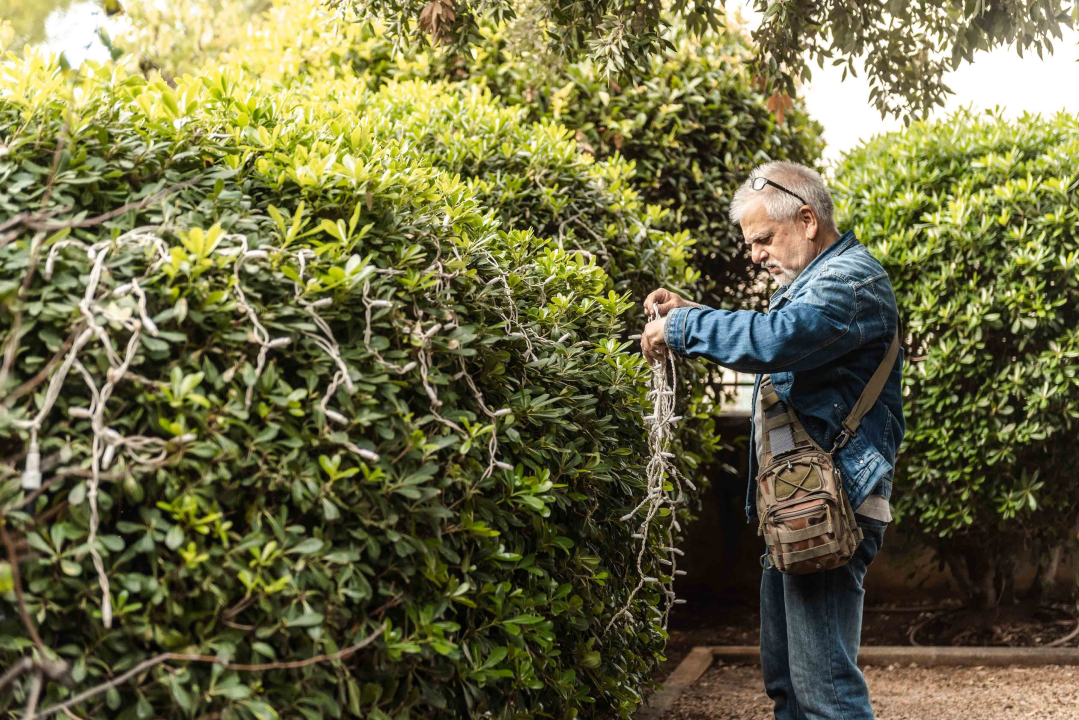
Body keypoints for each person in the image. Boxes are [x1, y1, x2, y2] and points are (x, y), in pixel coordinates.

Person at [640, 161, 904, 720]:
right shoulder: (814, 284)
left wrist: (687, 328)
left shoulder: (851, 282)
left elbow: (774, 340)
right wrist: (691, 313)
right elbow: (773, 339)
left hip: (834, 510)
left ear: (807, 219)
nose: (755, 254)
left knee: (825, 694)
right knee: (788, 685)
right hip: (798, 508)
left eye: (763, 239)